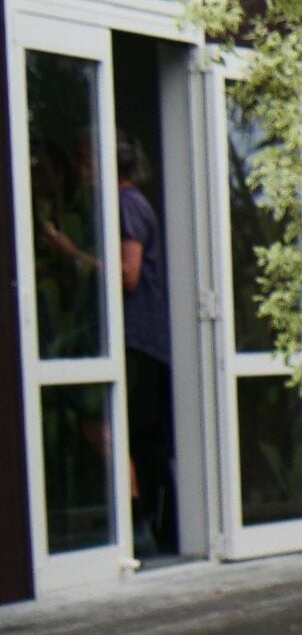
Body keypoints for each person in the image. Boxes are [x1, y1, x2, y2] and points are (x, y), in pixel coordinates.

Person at [118, 137, 178, 558]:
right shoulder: (138, 203)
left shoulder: (127, 205)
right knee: (147, 440)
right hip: (148, 338)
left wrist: (74, 256)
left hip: (136, 337)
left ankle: (146, 527)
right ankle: (164, 532)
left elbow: (128, 275)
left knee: (133, 436)